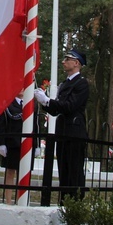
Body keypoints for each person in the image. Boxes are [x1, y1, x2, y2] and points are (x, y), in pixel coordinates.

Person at [34, 48, 89, 203]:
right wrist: (45, 102)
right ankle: (65, 203)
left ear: (76, 63)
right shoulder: (65, 84)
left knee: (74, 170)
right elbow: (56, 110)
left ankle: (76, 203)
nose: (64, 62)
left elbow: (69, 106)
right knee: (63, 170)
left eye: (67, 59)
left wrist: (46, 101)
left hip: (74, 132)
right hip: (63, 131)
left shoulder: (81, 84)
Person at [0, 90, 24, 205]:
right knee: (10, 172)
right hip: (12, 143)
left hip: (26, 143)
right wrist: (1, 143)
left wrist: (36, 144)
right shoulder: (8, 104)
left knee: (22, 173)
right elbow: (2, 124)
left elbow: (36, 124)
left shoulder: (31, 103)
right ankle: (8, 201)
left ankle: (21, 200)